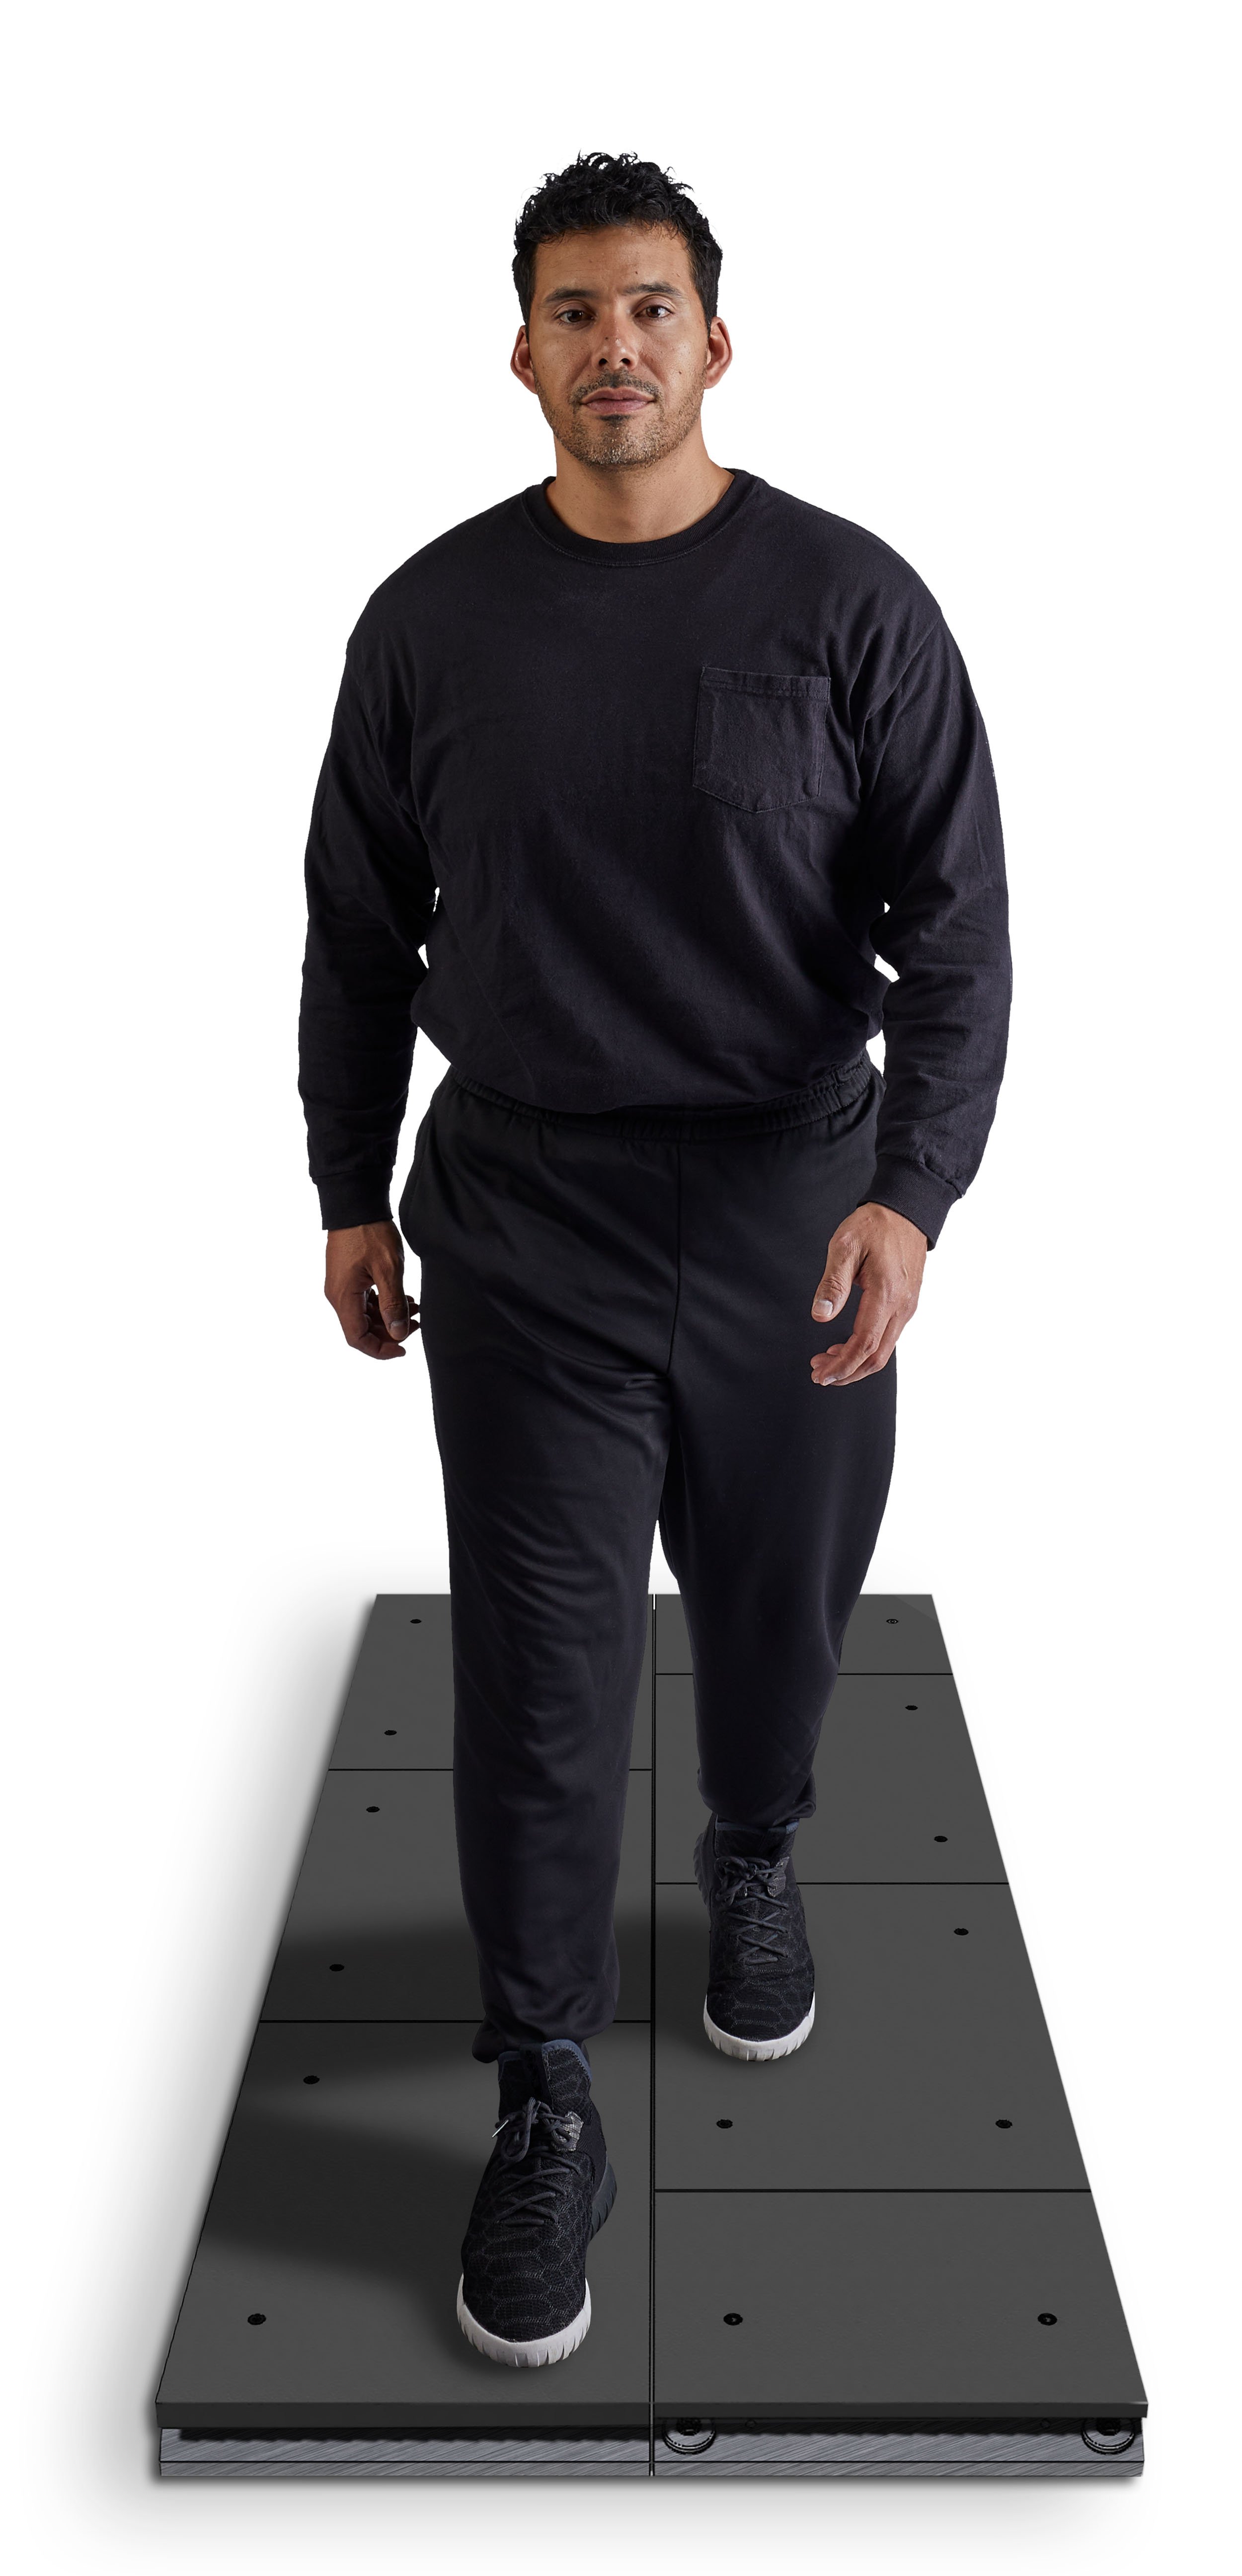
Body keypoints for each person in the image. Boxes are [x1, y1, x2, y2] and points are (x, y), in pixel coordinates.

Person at [298, 151, 1011, 2369]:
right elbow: (354, 930)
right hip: (528, 1219)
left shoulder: (850, 605)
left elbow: (957, 929)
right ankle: (541, 2091)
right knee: (541, 1667)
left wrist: (912, 1192)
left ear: (716, 339)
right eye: (573, 311)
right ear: (519, 350)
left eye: (648, 307)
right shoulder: (429, 623)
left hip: (796, 1209)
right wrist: (345, 1184)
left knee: (777, 1617)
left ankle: (759, 1845)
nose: (614, 345)